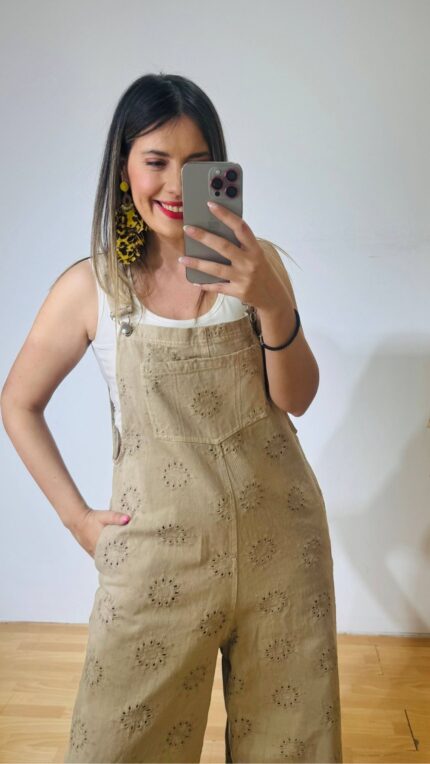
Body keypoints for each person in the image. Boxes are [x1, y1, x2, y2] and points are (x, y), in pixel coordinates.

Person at [1, 72, 343, 764]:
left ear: (219, 171)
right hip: (156, 559)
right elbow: (18, 402)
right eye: (155, 161)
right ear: (123, 167)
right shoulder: (92, 288)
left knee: (293, 748)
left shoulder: (257, 270)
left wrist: (272, 302)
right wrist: (78, 520)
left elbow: (298, 397)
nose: (173, 185)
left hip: (282, 548)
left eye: (196, 165)